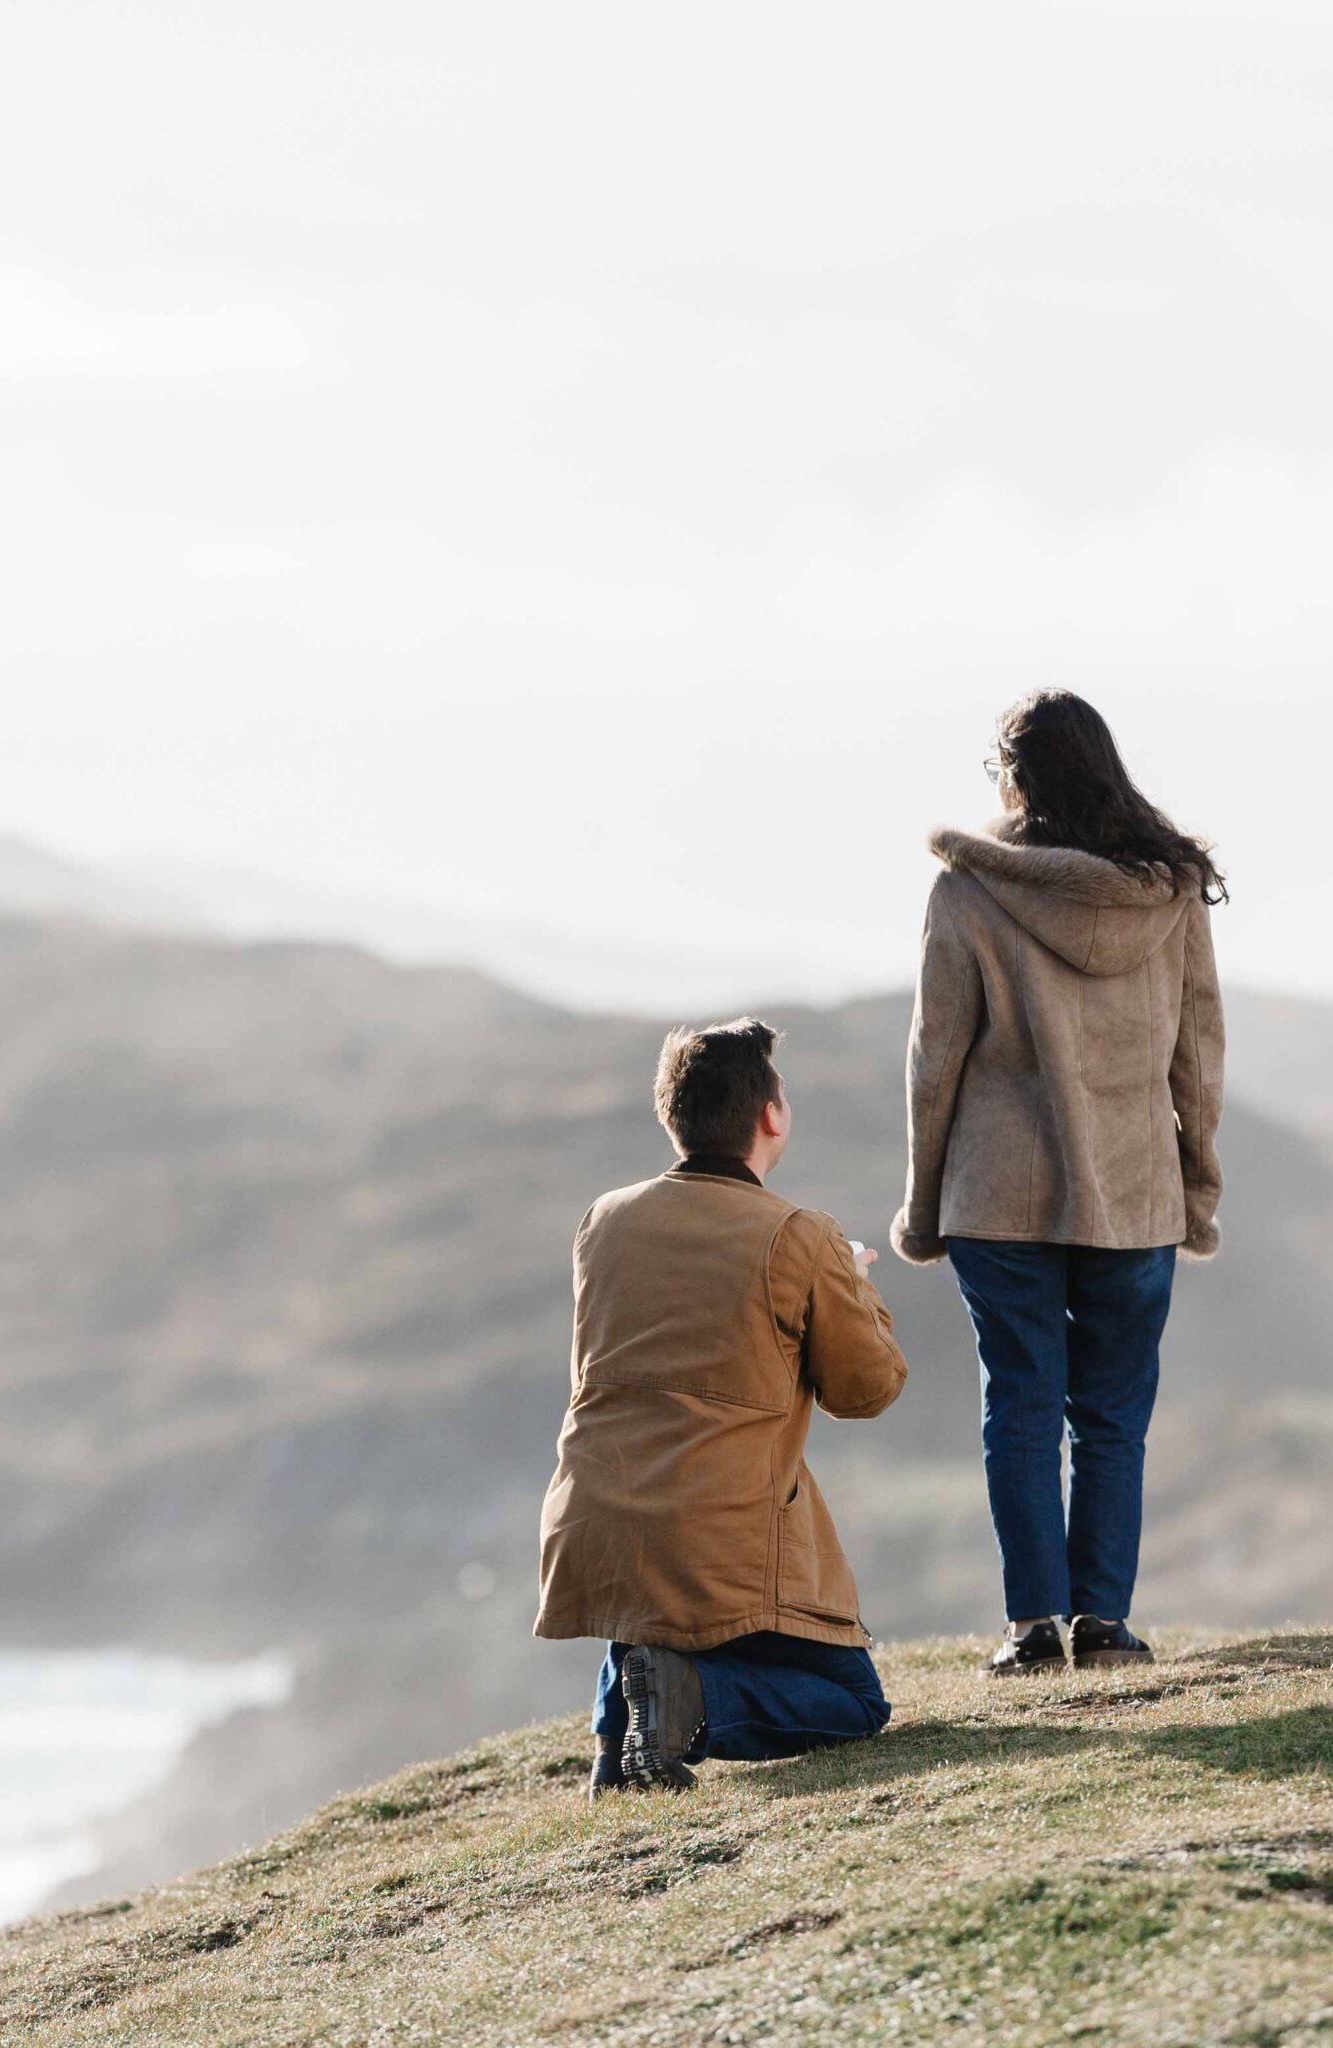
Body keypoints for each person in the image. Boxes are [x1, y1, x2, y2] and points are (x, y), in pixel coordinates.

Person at [891, 690, 1225, 1678]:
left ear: (1013, 776)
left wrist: (921, 1201)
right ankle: (1104, 1622)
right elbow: (1197, 1056)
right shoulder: (1168, 894)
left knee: (1022, 1404)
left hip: (998, 1189)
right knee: (1113, 1415)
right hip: (1135, 1189)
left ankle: (1032, 1626)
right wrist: (1196, 1186)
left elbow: (932, 1060)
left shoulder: (967, 890)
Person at [536, 1017, 909, 1796]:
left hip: (596, 1519)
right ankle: (689, 1702)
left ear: (671, 1116)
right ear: (771, 1115)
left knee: (653, 1593)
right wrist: (853, 1285)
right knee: (854, 1702)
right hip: (721, 1534)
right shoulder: (799, 1235)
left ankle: (622, 1748)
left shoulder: (602, 1221)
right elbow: (866, 1390)